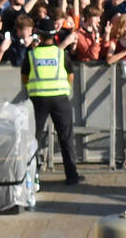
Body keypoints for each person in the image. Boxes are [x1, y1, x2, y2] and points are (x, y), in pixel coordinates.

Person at [21, 20, 82, 186]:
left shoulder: (31, 55)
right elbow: (70, 74)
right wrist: (64, 88)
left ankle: (32, 177)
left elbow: (25, 77)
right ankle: (72, 176)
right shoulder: (61, 54)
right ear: (54, 36)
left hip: (38, 99)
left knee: (34, 138)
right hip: (60, 98)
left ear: (39, 36)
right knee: (66, 137)